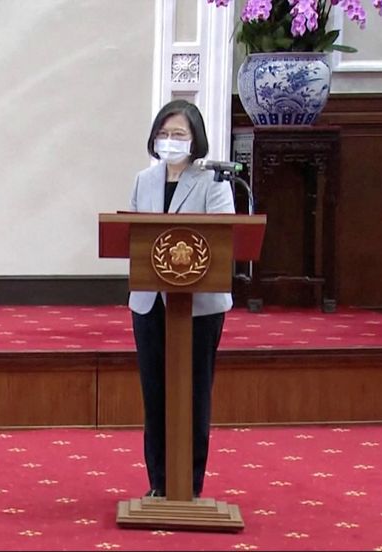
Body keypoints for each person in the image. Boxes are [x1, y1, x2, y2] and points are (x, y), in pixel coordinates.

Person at [128, 99, 234, 499]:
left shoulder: (213, 183)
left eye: (178, 134)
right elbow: (133, 236)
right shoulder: (143, 180)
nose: (169, 141)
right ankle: (158, 482)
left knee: (193, 393)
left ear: (195, 139)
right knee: (155, 394)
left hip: (199, 307)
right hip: (150, 302)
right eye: (164, 134)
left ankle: (189, 484)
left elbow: (224, 239)